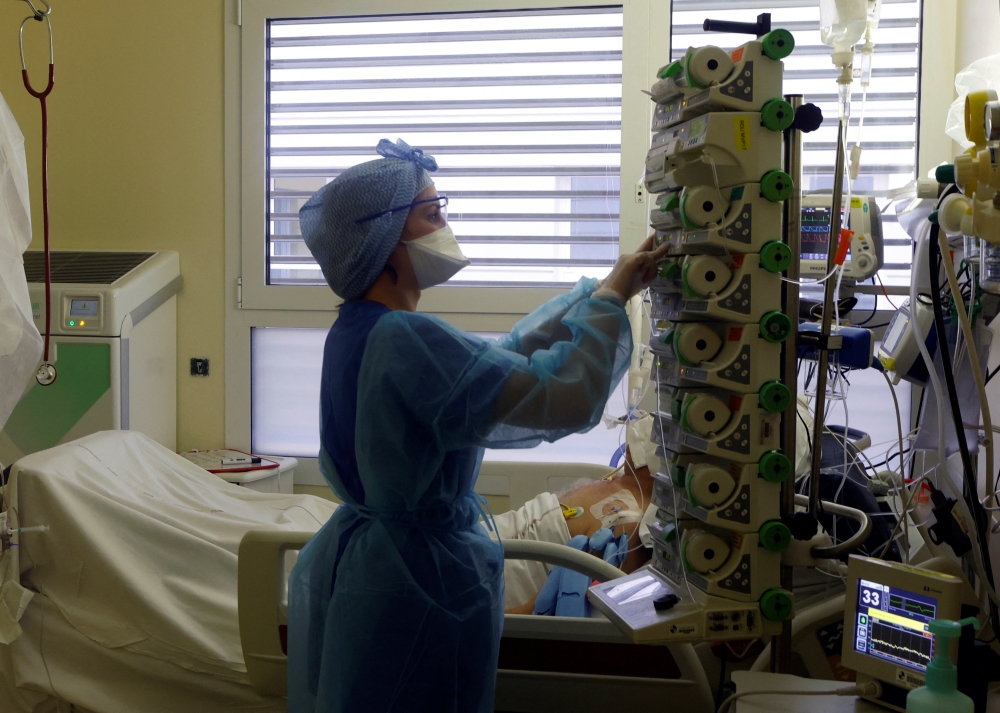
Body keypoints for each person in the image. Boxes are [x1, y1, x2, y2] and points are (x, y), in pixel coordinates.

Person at [286, 139, 669, 713]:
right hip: (419, 582)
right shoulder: (404, 340)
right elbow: (556, 395)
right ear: (383, 238)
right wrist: (612, 299)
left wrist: (598, 293)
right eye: (432, 214)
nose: (446, 227)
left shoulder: (359, 332)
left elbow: (499, 363)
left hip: (377, 570)